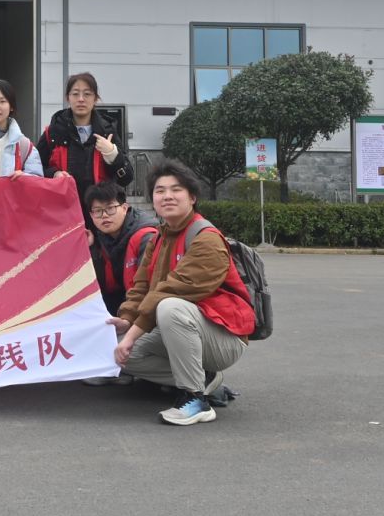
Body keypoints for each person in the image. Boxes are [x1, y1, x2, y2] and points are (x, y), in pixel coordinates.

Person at [109, 160, 254, 427]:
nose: (167, 196)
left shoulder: (206, 238)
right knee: (115, 354)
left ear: (192, 197)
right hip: (184, 329)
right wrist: (127, 320)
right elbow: (141, 287)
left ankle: (195, 399)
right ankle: (205, 379)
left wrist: (131, 335)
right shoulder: (159, 238)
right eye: (160, 190)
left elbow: (171, 290)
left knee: (170, 306)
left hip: (223, 336)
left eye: (176, 190)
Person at [38, 72, 134, 237]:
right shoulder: (53, 131)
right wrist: (54, 173)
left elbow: (127, 177)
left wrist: (112, 154)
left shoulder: (107, 131)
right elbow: (35, 169)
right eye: (75, 94)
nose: (81, 99)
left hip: (101, 215)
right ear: (68, 98)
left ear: (95, 98)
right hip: (63, 214)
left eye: (87, 94)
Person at [85, 181, 157, 315]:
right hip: (122, 302)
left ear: (124, 208)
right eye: (98, 211)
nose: (104, 215)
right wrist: (92, 248)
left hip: (145, 308)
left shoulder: (146, 237)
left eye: (110, 208)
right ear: (91, 215)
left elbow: (149, 287)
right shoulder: (99, 238)